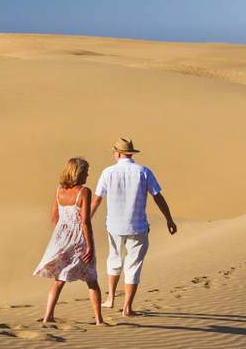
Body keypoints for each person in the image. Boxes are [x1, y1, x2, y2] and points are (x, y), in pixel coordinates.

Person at [91, 138, 176, 317]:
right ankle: (127, 308)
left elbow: (97, 200)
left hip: (114, 226)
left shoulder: (108, 172)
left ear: (119, 153)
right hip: (138, 226)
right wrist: (169, 219)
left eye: (115, 151)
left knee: (114, 260)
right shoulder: (143, 172)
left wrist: (85, 220)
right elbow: (157, 196)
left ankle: (111, 299)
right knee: (133, 265)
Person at [33, 157, 106, 325]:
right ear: (78, 173)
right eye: (86, 171)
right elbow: (85, 221)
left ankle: (47, 316)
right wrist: (90, 246)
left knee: (59, 279)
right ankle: (99, 320)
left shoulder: (59, 190)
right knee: (92, 279)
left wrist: (61, 235)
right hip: (80, 239)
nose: (88, 174)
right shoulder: (84, 191)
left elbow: (54, 217)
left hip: (61, 239)